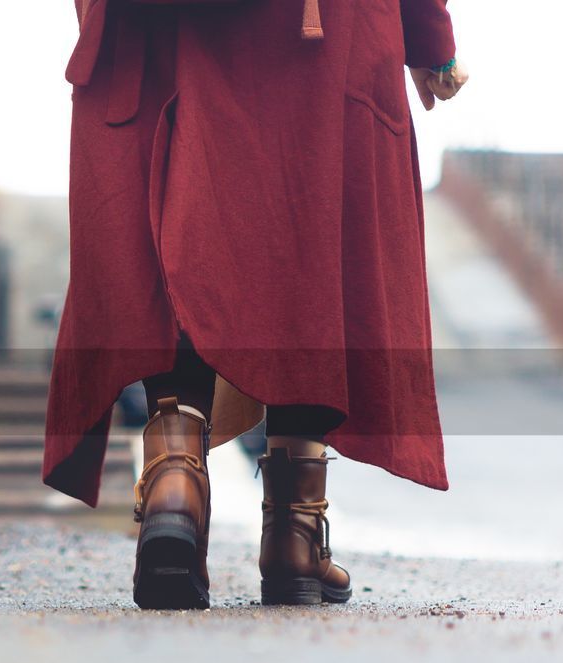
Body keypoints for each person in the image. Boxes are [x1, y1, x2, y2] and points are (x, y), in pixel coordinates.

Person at [42, 0, 468, 609]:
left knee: (172, 203)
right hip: (318, 29)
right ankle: (296, 532)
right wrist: (431, 40)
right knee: (310, 245)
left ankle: (174, 482)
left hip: (166, 21)